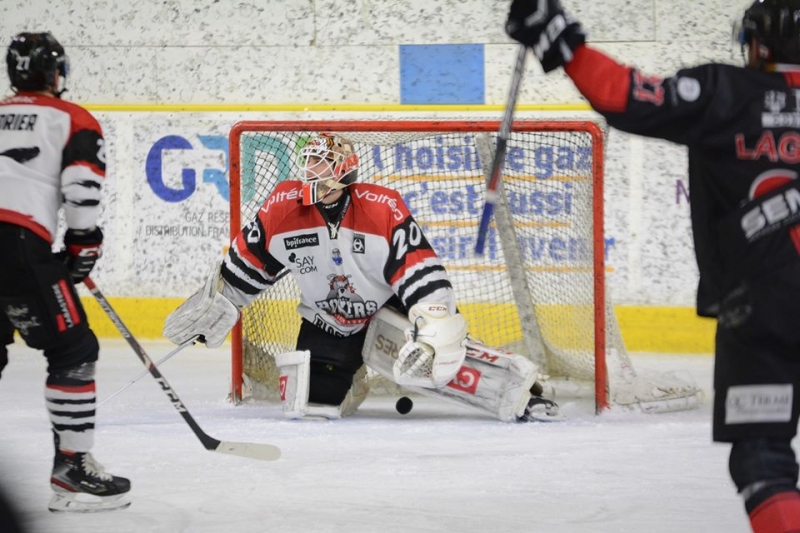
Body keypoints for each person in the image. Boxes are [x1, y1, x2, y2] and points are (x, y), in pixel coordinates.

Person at [504, 0, 800, 530]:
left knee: (763, 458)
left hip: (765, 309)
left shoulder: (726, 92)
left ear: (761, 44)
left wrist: (556, 35)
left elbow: (624, 95)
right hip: (765, 305)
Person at [164, 133, 560, 423]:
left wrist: (433, 323)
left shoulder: (381, 208)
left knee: (432, 362)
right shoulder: (282, 209)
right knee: (309, 403)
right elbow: (246, 265)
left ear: (344, 169)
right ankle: (351, 377)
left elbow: (421, 270)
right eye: (310, 162)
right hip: (327, 321)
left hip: (385, 311)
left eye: (322, 163)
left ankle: (521, 390)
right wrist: (218, 304)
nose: (312, 171)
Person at [0, 32, 130, 512]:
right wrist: (81, 245)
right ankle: (72, 469)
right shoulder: (72, 118)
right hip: (16, 246)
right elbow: (81, 191)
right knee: (74, 349)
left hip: (16, 246)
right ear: (56, 73)